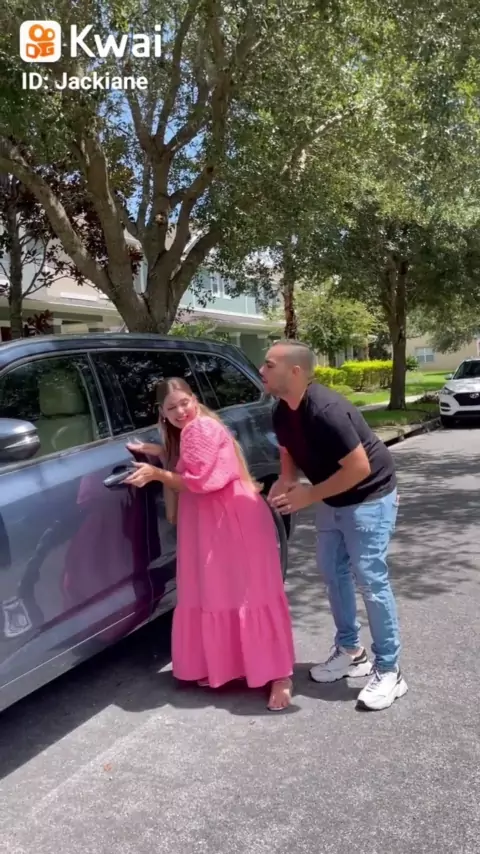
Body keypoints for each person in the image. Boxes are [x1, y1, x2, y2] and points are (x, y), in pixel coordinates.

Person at [124, 378, 295, 711]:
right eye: (171, 407)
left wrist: (156, 474)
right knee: (231, 592)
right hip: (220, 518)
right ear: (161, 412)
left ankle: (279, 676)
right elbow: (196, 461)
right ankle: (250, 667)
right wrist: (161, 452)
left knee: (246, 592)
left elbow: (201, 480)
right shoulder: (194, 428)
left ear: (194, 399)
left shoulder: (198, 428)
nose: (180, 411)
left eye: (184, 402)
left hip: (227, 519)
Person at [261, 340, 407, 712]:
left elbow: (360, 467)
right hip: (333, 496)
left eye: (269, 365)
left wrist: (310, 495)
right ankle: (351, 651)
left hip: (370, 495)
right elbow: (287, 449)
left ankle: (390, 670)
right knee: (332, 571)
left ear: (295, 371)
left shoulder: (326, 410)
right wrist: (287, 480)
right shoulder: (281, 410)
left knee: (370, 580)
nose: (261, 371)